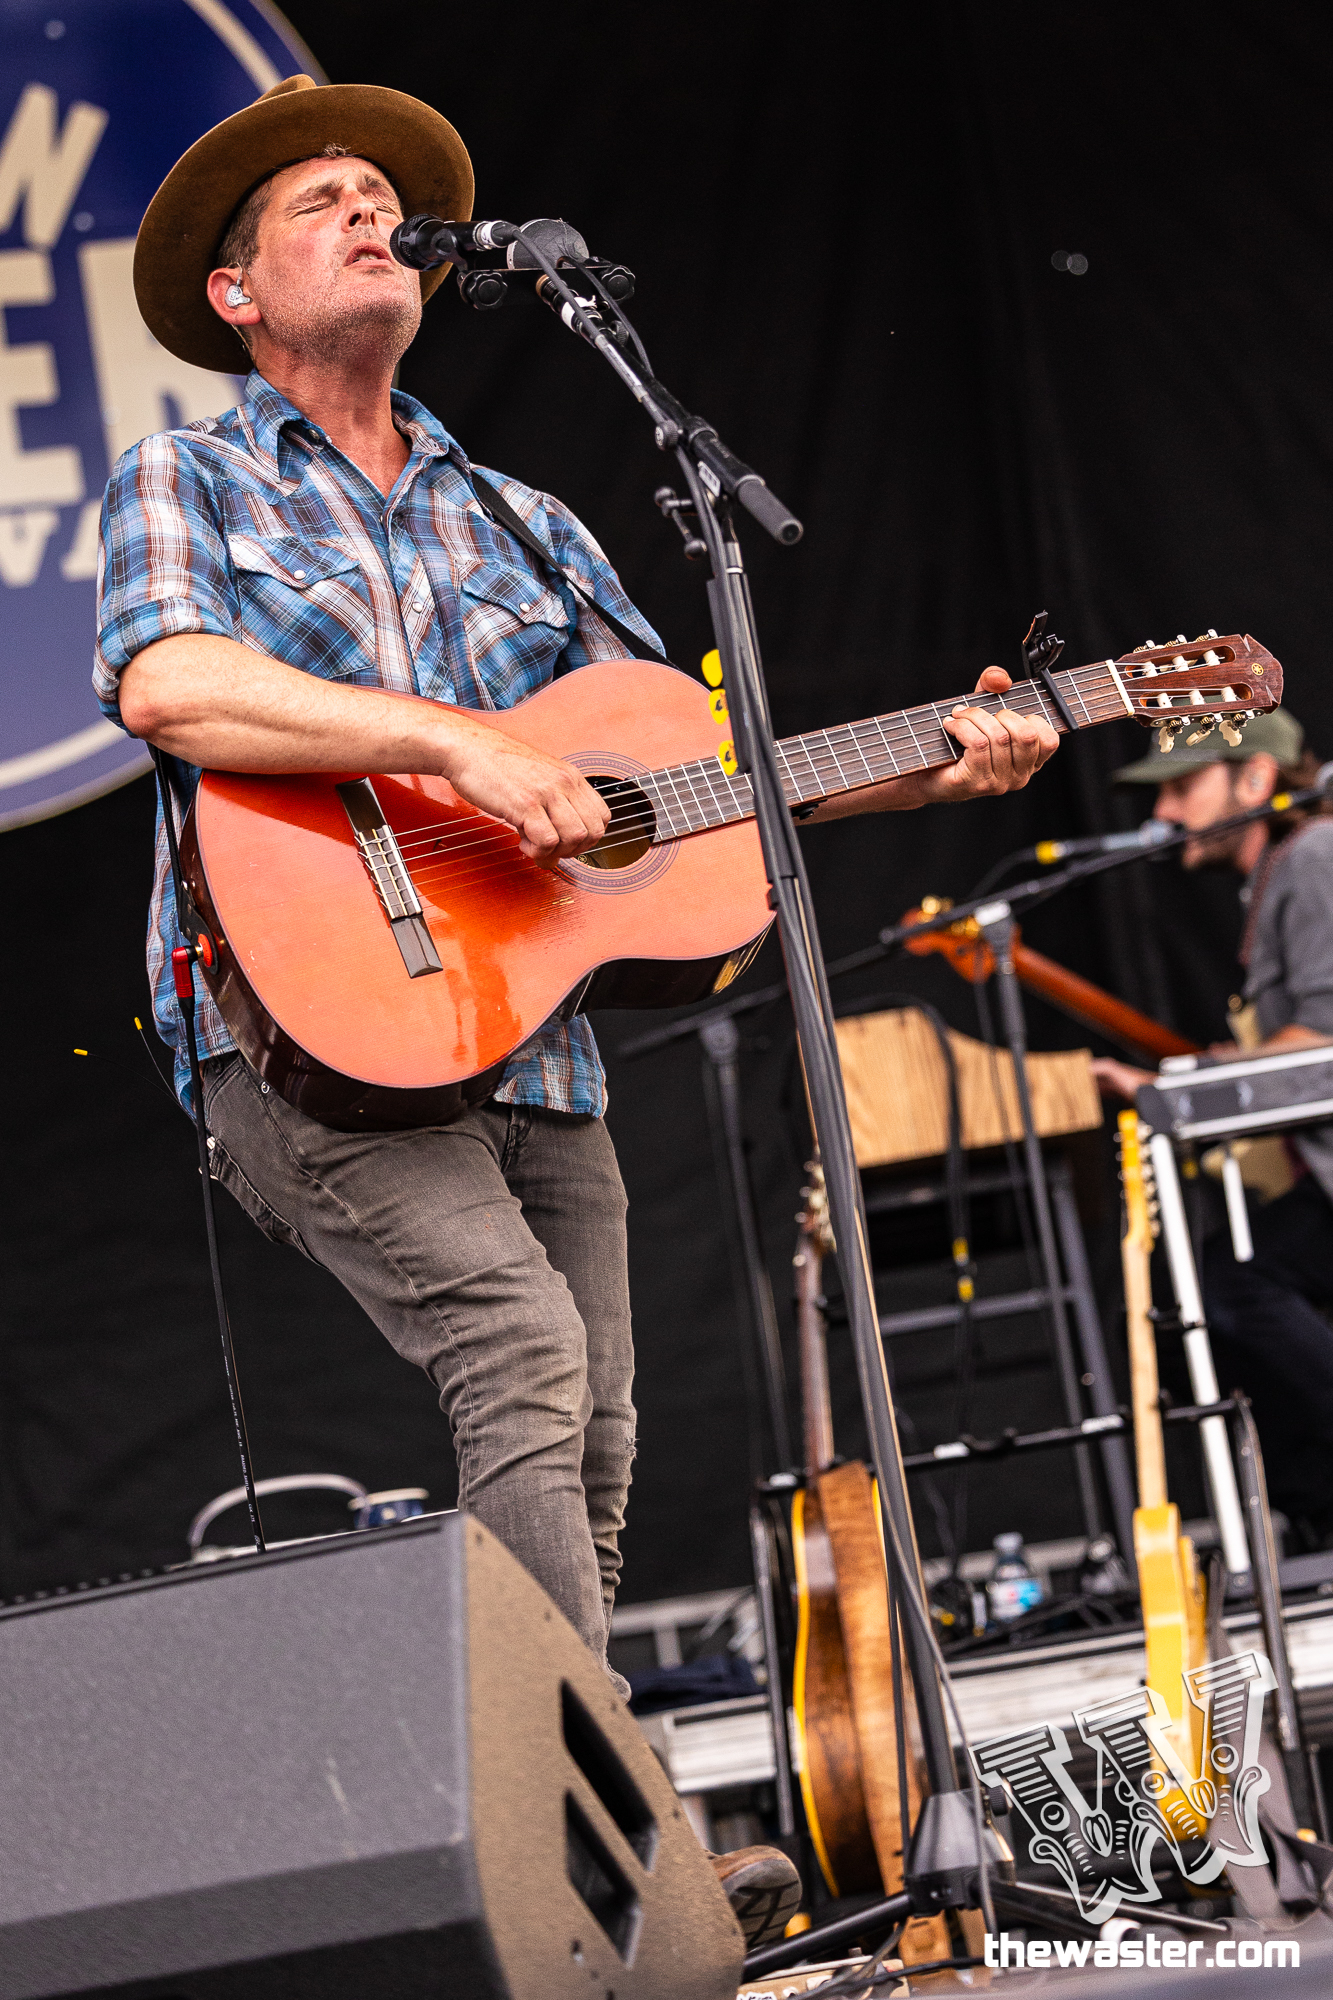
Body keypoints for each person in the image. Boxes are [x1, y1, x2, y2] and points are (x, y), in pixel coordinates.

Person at [94, 75, 1059, 1939]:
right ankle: (610, 1858)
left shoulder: (523, 520)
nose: (371, 215)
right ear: (236, 293)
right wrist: (456, 747)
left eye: (382, 197)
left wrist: (925, 766)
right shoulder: (188, 479)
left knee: (594, 1432)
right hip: (297, 1031)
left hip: (526, 1040)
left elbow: (677, 784)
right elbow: (172, 688)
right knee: (523, 1356)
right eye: (321, 204)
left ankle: (550, 1852)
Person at [1093, 710, 1333, 1542]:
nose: (1163, 813)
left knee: (1226, 1288)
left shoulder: (1312, 857)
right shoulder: (1277, 873)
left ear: (1255, 779)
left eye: (1182, 787)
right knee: (1209, 1292)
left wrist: (1180, 1084)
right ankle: (1315, 1512)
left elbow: (1322, 1038)